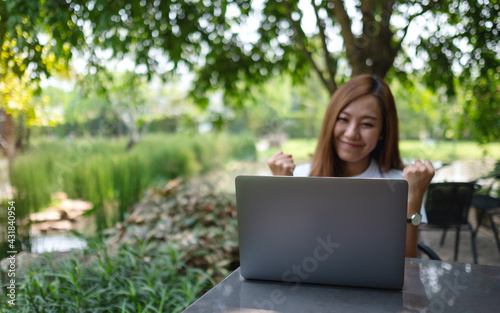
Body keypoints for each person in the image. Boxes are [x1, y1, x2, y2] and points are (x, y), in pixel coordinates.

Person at [267, 74, 435, 258]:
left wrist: (413, 198)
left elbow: (408, 267)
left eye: (367, 124)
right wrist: (281, 189)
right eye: (343, 119)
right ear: (330, 121)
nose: (351, 133)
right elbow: (283, 254)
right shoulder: (298, 177)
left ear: (382, 132)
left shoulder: (400, 183)